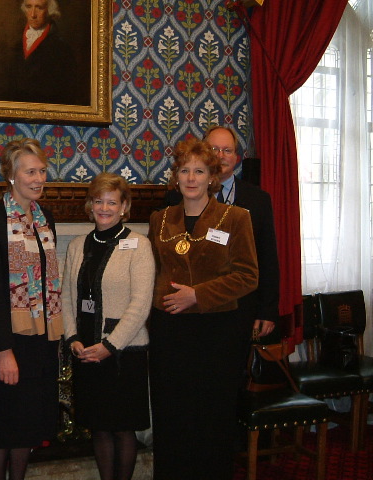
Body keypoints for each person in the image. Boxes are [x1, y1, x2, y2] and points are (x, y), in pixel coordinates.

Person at [148, 137, 259, 479]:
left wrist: (198, 294)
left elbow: (248, 276)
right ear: (176, 176)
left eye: (199, 171)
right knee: (173, 417)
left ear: (212, 176)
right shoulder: (160, 219)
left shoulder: (236, 217)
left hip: (217, 334)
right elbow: (153, 273)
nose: (191, 178)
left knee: (211, 419)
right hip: (170, 333)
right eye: (185, 170)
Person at [0, 138, 63, 480]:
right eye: (30, 172)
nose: (38, 178)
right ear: (11, 175)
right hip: (6, 343)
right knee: (2, 428)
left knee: (26, 428)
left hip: (39, 341)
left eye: (42, 171)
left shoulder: (45, 218)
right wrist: (4, 351)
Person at [62, 173, 154, 480]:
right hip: (87, 350)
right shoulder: (77, 245)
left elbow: (141, 304)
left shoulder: (138, 245)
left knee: (122, 429)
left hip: (123, 354)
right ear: (90, 205)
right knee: (99, 427)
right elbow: (66, 297)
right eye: (99, 201)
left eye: (112, 202)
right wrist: (72, 337)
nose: (104, 208)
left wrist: (110, 345)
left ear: (124, 206)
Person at [164, 126, 280, 343]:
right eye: (213, 149)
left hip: (239, 309)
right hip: (189, 312)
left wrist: (267, 310)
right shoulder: (175, 198)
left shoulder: (258, 200)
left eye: (227, 150)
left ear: (236, 157)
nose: (220, 155)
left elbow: (268, 258)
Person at [3, 0, 81, 105]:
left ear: (50, 10)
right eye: (29, 7)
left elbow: (67, 94)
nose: (33, 14)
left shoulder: (61, 49)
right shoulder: (15, 44)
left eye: (39, 8)